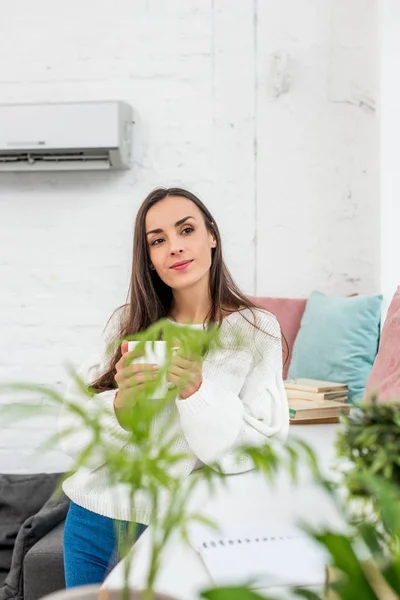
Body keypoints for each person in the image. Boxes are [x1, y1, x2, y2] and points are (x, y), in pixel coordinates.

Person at [59, 187, 289, 588]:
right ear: (148, 258)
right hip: (91, 518)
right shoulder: (125, 323)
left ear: (211, 235)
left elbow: (260, 447)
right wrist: (121, 405)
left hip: (170, 528)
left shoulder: (254, 329)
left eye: (186, 230)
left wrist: (196, 393)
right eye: (158, 241)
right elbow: (71, 434)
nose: (175, 248)